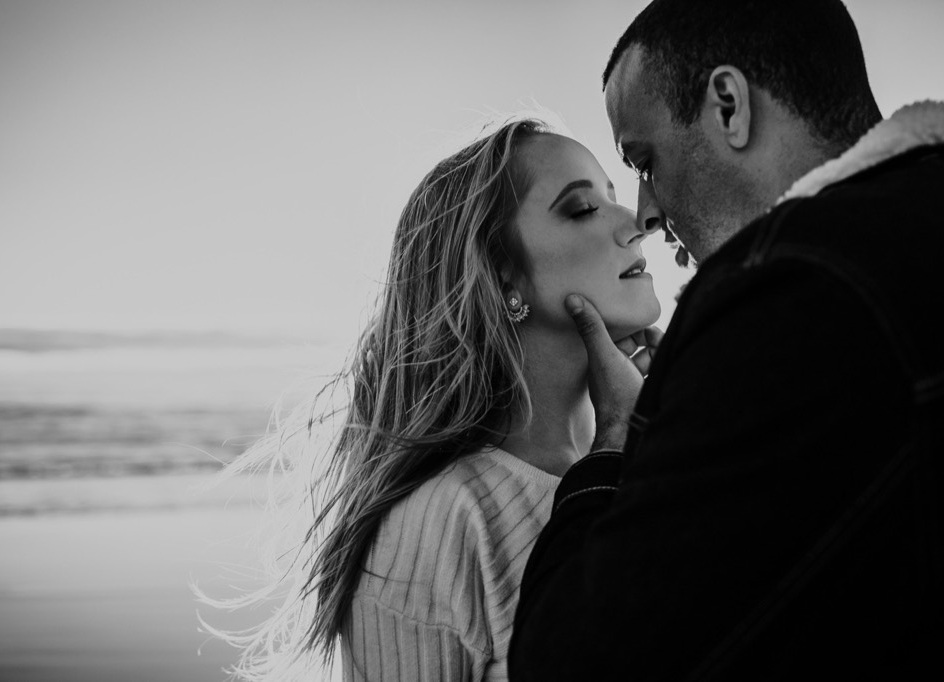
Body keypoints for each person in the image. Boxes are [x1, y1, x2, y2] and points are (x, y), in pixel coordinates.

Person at [509, 1, 944, 680]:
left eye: (645, 160)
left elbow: (574, 665)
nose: (647, 211)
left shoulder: (795, 292)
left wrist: (616, 443)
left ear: (729, 107)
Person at [204, 116, 663, 681]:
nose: (637, 222)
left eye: (615, 198)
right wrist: (618, 441)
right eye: (583, 209)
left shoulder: (647, 467)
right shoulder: (441, 520)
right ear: (502, 276)